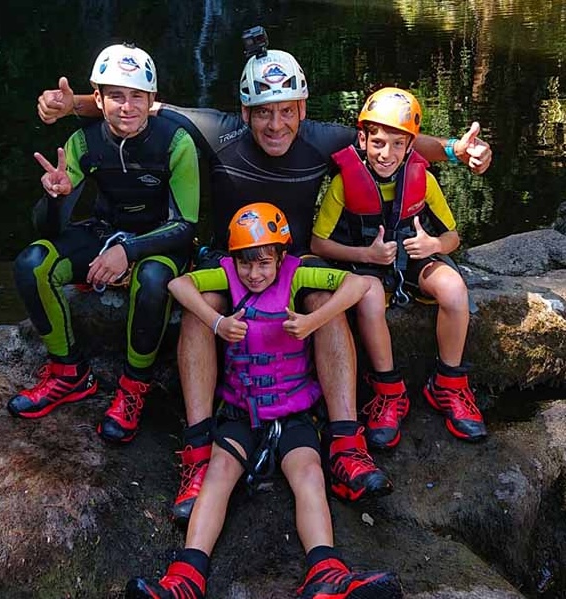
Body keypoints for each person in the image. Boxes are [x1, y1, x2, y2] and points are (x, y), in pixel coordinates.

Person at [36, 31, 493, 521]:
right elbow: (140, 107)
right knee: (198, 311)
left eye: (287, 110)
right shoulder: (218, 131)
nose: (276, 124)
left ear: (302, 107)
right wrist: (74, 106)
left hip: (293, 259)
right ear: (245, 109)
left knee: (322, 305)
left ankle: (343, 444)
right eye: (263, 111)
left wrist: (453, 149)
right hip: (230, 259)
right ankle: (198, 453)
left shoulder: (324, 138)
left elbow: (393, 133)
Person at [125, 202, 403, 599]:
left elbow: (361, 285)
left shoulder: (297, 274)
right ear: (233, 259)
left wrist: (312, 321)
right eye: (245, 264)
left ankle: (326, 570)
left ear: (281, 257)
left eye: (264, 264)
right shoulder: (225, 275)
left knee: (309, 475)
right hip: (241, 413)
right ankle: (186, 576)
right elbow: (177, 285)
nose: (254, 274)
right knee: (218, 474)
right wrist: (217, 321)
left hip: (293, 416)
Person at [8, 43, 200, 446]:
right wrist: (57, 195)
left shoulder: (176, 141)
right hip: (104, 229)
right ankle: (68, 373)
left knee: (151, 279)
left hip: (159, 239)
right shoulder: (83, 142)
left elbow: (185, 225)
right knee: (32, 263)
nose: (126, 107)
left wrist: (127, 252)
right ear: (97, 99)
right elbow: (48, 227)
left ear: (152, 100)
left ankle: (133, 387)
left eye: (136, 97)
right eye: (115, 96)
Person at [311, 87, 488, 450]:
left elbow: (453, 237)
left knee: (454, 289)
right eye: (377, 142)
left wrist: (434, 246)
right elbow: (317, 245)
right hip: (367, 262)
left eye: (396, 144)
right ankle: (389, 391)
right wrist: (366, 255)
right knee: (371, 296)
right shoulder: (344, 183)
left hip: (415, 259)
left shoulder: (423, 179)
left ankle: (449, 384)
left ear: (410, 146)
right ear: (361, 139)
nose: (386, 153)